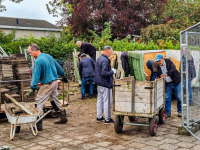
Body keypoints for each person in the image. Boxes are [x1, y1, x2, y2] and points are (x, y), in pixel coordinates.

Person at [24, 44, 69, 131]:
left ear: (35, 50)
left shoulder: (38, 61)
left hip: (47, 84)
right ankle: (63, 116)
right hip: (55, 82)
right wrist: (63, 75)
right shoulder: (48, 56)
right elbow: (58, 67)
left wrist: (32, 87)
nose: (30, 54)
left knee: (39, 102)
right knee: (55, 99)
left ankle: (39, 124)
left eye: (30, 52)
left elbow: (35, 76)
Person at [95, 45, 116, 124]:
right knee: (108, 101)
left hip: (99, 83)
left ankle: (99, 117)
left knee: (100, 100)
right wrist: (112, 71)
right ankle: (107, 119)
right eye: (110, 52)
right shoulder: (105, 60)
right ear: (106, 51)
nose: (111, 54)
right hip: (105, 83)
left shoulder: (99, 58)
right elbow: (104, 73)